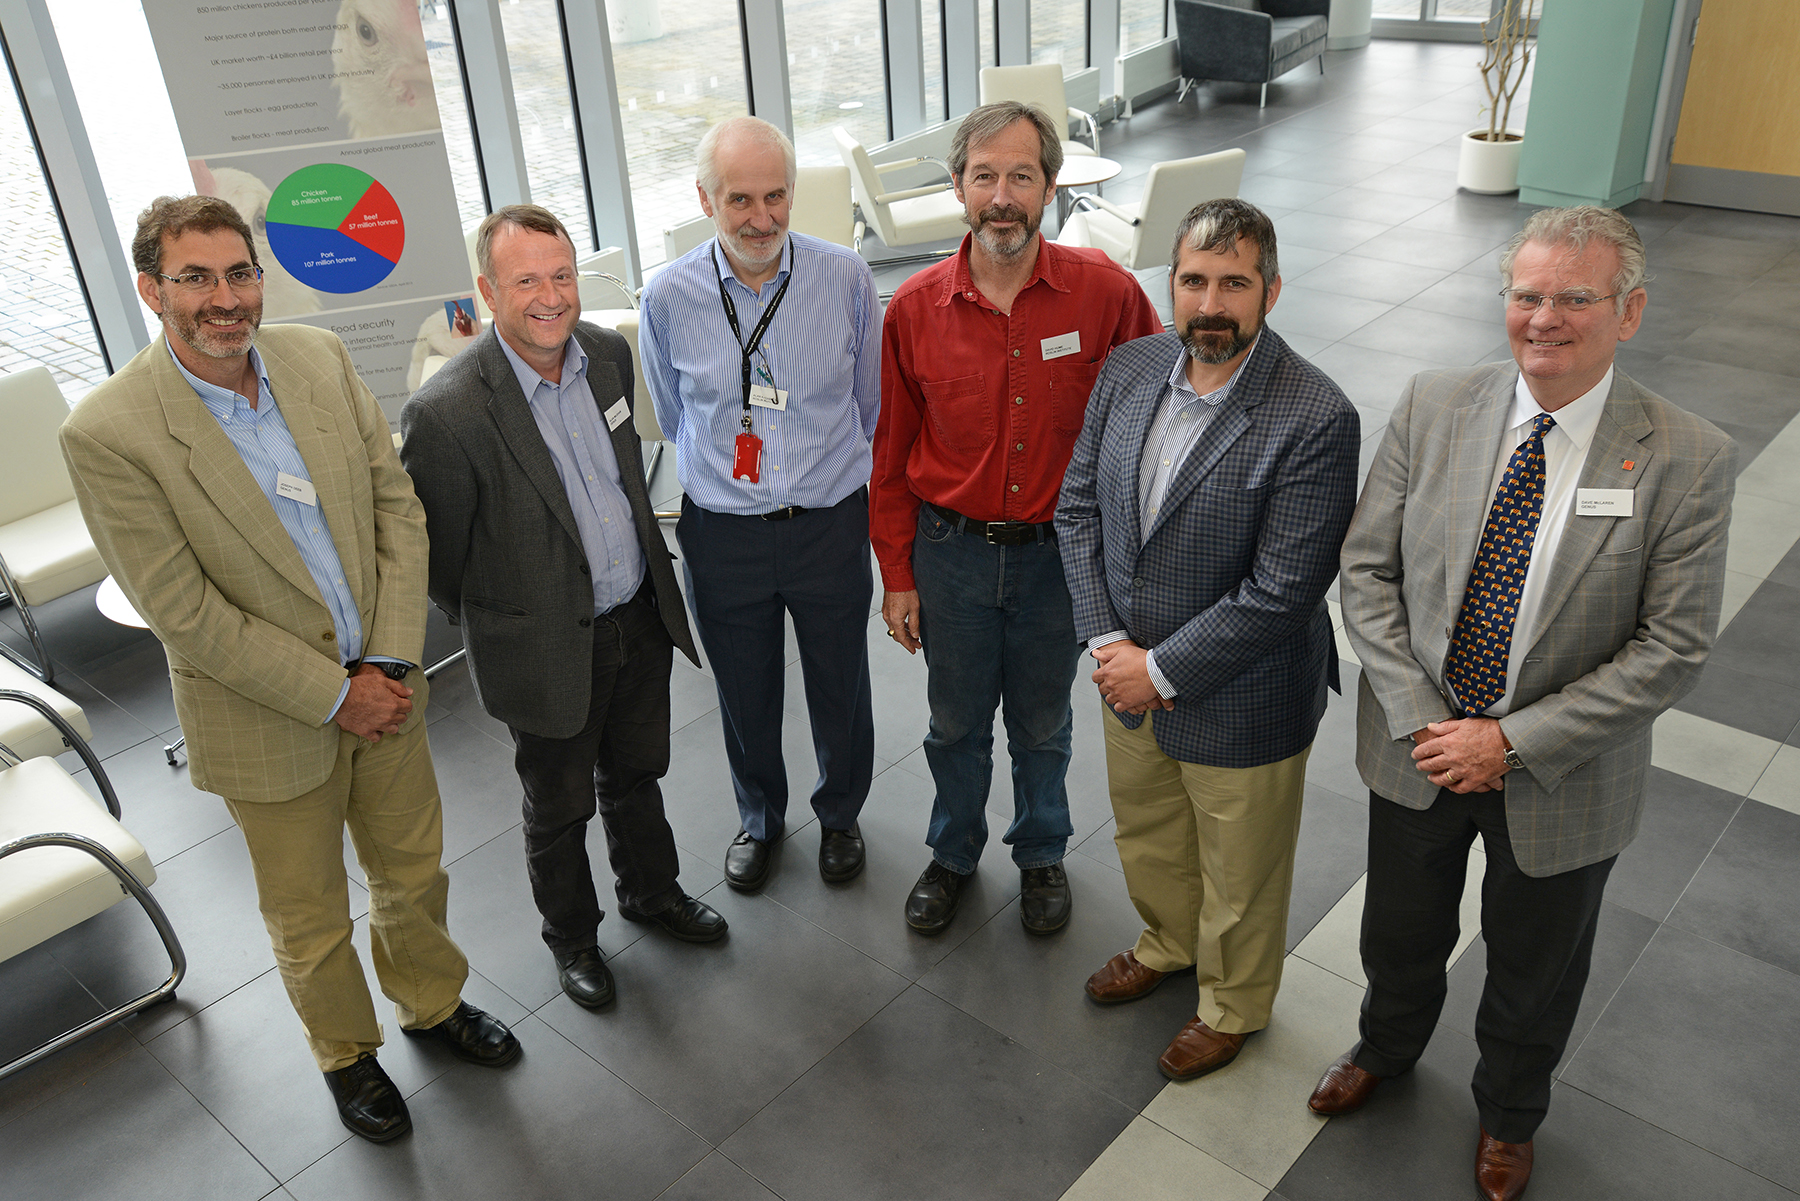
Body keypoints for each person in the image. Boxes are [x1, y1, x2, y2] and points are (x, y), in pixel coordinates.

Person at [59, 195, 517, 1145]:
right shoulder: (109, 431)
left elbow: (397, 504)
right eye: (195, 277)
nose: (223, 299)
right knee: (309, 914)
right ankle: (347, 1056)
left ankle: (433, 1005)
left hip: (386, 686)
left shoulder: (319, 359)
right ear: (152, 290)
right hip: (268, 720)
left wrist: (388, 659)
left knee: (414, 872)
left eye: (239, 273)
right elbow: (182, 612)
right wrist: (332, 692)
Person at [1310, 206, 1736, 1201]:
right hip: (1418, 747)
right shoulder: (1434, 403)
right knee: (1398, 933)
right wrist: (1427, 720)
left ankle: (1509, 1113)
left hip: (1563, 771)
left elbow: (1672, 646)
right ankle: (1385, 1046)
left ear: (1627, 313)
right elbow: (1366, 574)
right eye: (1527, 294)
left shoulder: (1686, 455)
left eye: (1574, 298)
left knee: (1535, 965)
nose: (1545, 318)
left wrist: (1510, 740)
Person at [1056, 198, 1359, 1080]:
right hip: (1124, 672)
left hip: (1243, 690)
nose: (1211, 304)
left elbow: (1282, 592)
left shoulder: (1314, 416)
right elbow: (1078, 509)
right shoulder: (1128, 369)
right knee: (1149, 831)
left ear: (1270, 290)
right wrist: (1110, 642)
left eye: (1235, 283)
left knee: (1241, 871)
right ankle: (1164, 945)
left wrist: (1162, 668)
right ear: (1171, 286)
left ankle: (1231, 1002)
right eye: (1195, 281)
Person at [400, 205, 724, 1016]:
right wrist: (514, 618)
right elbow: (440, 565)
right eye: (526, 281)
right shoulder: (449, 413)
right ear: (487, 291)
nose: (550, 297)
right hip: (542, 649)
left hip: (637, 618)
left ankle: (652, 892)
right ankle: (573, 938)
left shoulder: (609, 356)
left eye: (562, 275)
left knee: (638, 775)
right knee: (559, 806)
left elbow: (627, 481)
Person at [874, 101, 1163, 935]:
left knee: (1044, 722)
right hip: (950, 555)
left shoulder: (1106, 295)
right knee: (954, 723)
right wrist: (897, 574)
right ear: (960, 187)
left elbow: (1149, 430)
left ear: (1049, 186)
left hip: (1058, 561)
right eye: (985, 176)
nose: (1003, 195)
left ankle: (1041, 852)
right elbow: (889, 457)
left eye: (1022, 176)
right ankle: (953, 852)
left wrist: (1126, 566)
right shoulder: (913, 309)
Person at [639, 116, 879, 892]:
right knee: (743, 692)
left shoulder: (845, 277)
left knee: (840, 682)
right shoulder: (668, 295)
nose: (762, 218)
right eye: (740, 199)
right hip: (723, 532)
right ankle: (761, 819)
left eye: (776, 196)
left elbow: (868, 404)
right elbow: (674, 415)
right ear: (704, 198)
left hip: (828, 523)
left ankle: (841, 815)